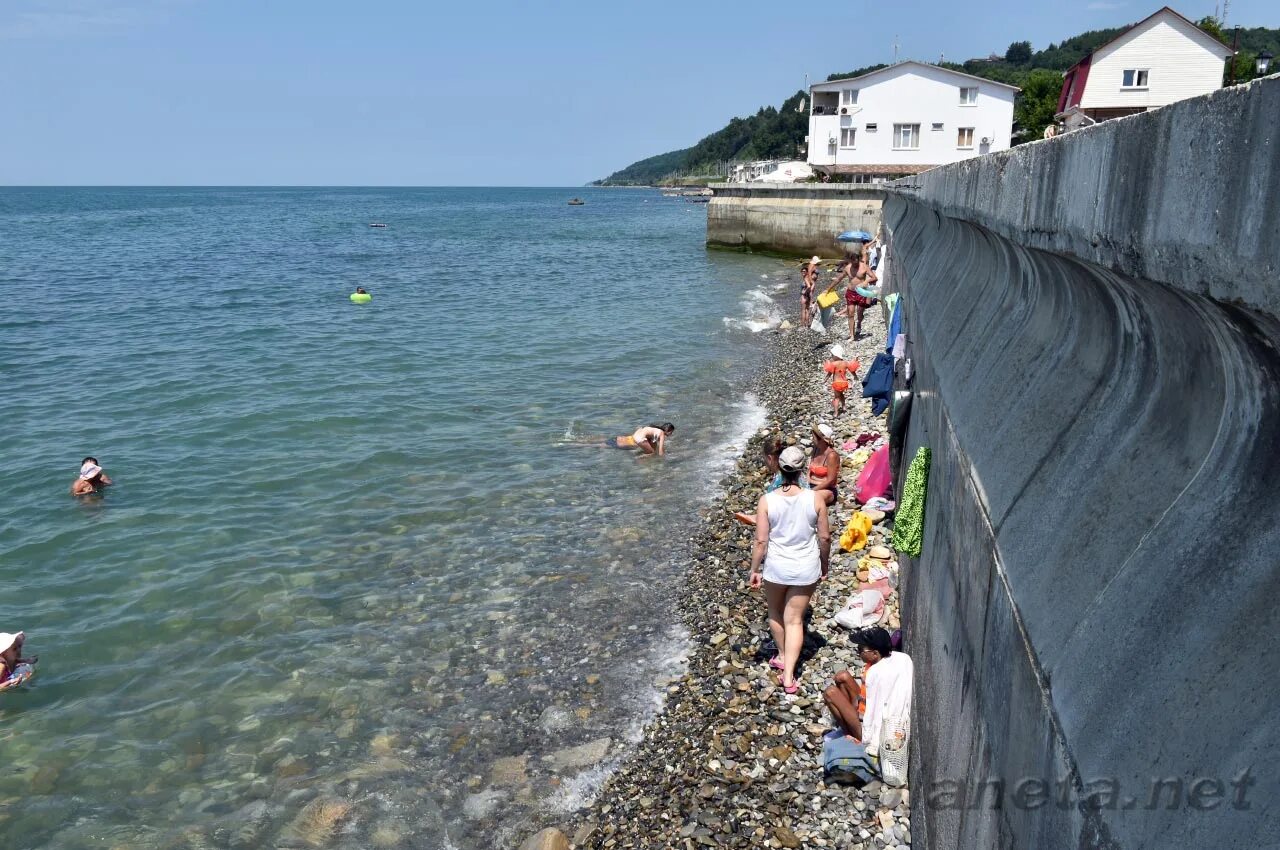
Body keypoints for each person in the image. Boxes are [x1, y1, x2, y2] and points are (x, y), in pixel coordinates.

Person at [749, 446, 831, 695]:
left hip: (776, 567)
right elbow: (825, 537)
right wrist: (824, 564)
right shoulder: (815, 499)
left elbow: (761, 541)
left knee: (775, 611)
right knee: (794, 619)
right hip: (806, 566)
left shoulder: (767, 500)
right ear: (802, 470)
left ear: (780, 468)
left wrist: (754, 569)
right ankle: (788, 677)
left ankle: (783, 655)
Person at [823, 627, 913, 749]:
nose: (858, 652)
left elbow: (875, 714)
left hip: (867, 726)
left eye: (861, 650)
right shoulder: (893, 658)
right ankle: (847, 725)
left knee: (830, 693)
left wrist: (854, 708)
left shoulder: (877, 675)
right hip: (865, 708)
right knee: (842, 677)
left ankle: (848, 734)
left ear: (875, 653)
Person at [844, 245, 879, 340]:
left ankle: (859, 322)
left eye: (856, 260)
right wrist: (828, 289)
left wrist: (866, 282)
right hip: (851, 292)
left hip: (861, 292)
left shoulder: (864, 267)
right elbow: (839, 278)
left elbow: (875, 277)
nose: (854, 262)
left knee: (859, 313)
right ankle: (852, 335)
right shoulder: (848, 268)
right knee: (850, 313)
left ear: (858, 259)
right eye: (852, 260)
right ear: (850, 260)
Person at [823, 345, 860, 417]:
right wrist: (855, 376)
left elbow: (829, 374)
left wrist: (824, 380)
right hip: (844, 383)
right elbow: (852, 370)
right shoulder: (845, 363)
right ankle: (844, 407)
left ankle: (836, 412)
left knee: (836, 398)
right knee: (841, 395)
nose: (832, 356)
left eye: (832, 355)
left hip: (837, 383)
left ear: (836, 356)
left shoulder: (833, 364)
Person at [808, 424, 840, 505]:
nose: (812, 438)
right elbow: (809, 471)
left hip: (827, 488)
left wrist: (812, 490)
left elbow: (830, 480)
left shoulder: (831, 455)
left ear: (821, 439)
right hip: (810, 485)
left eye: (813, 436)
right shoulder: (815, 449)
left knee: (812, 499)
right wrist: (806, 483)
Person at [800, 257, 821, 326]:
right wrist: (813, 284)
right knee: (807, 310)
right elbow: (810, 286)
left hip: (805, 294)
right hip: (808, 293)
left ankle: (804, 325)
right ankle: (806, 324)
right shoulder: (811, 267)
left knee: (804, 310)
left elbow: (809, 285)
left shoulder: (806, 276)